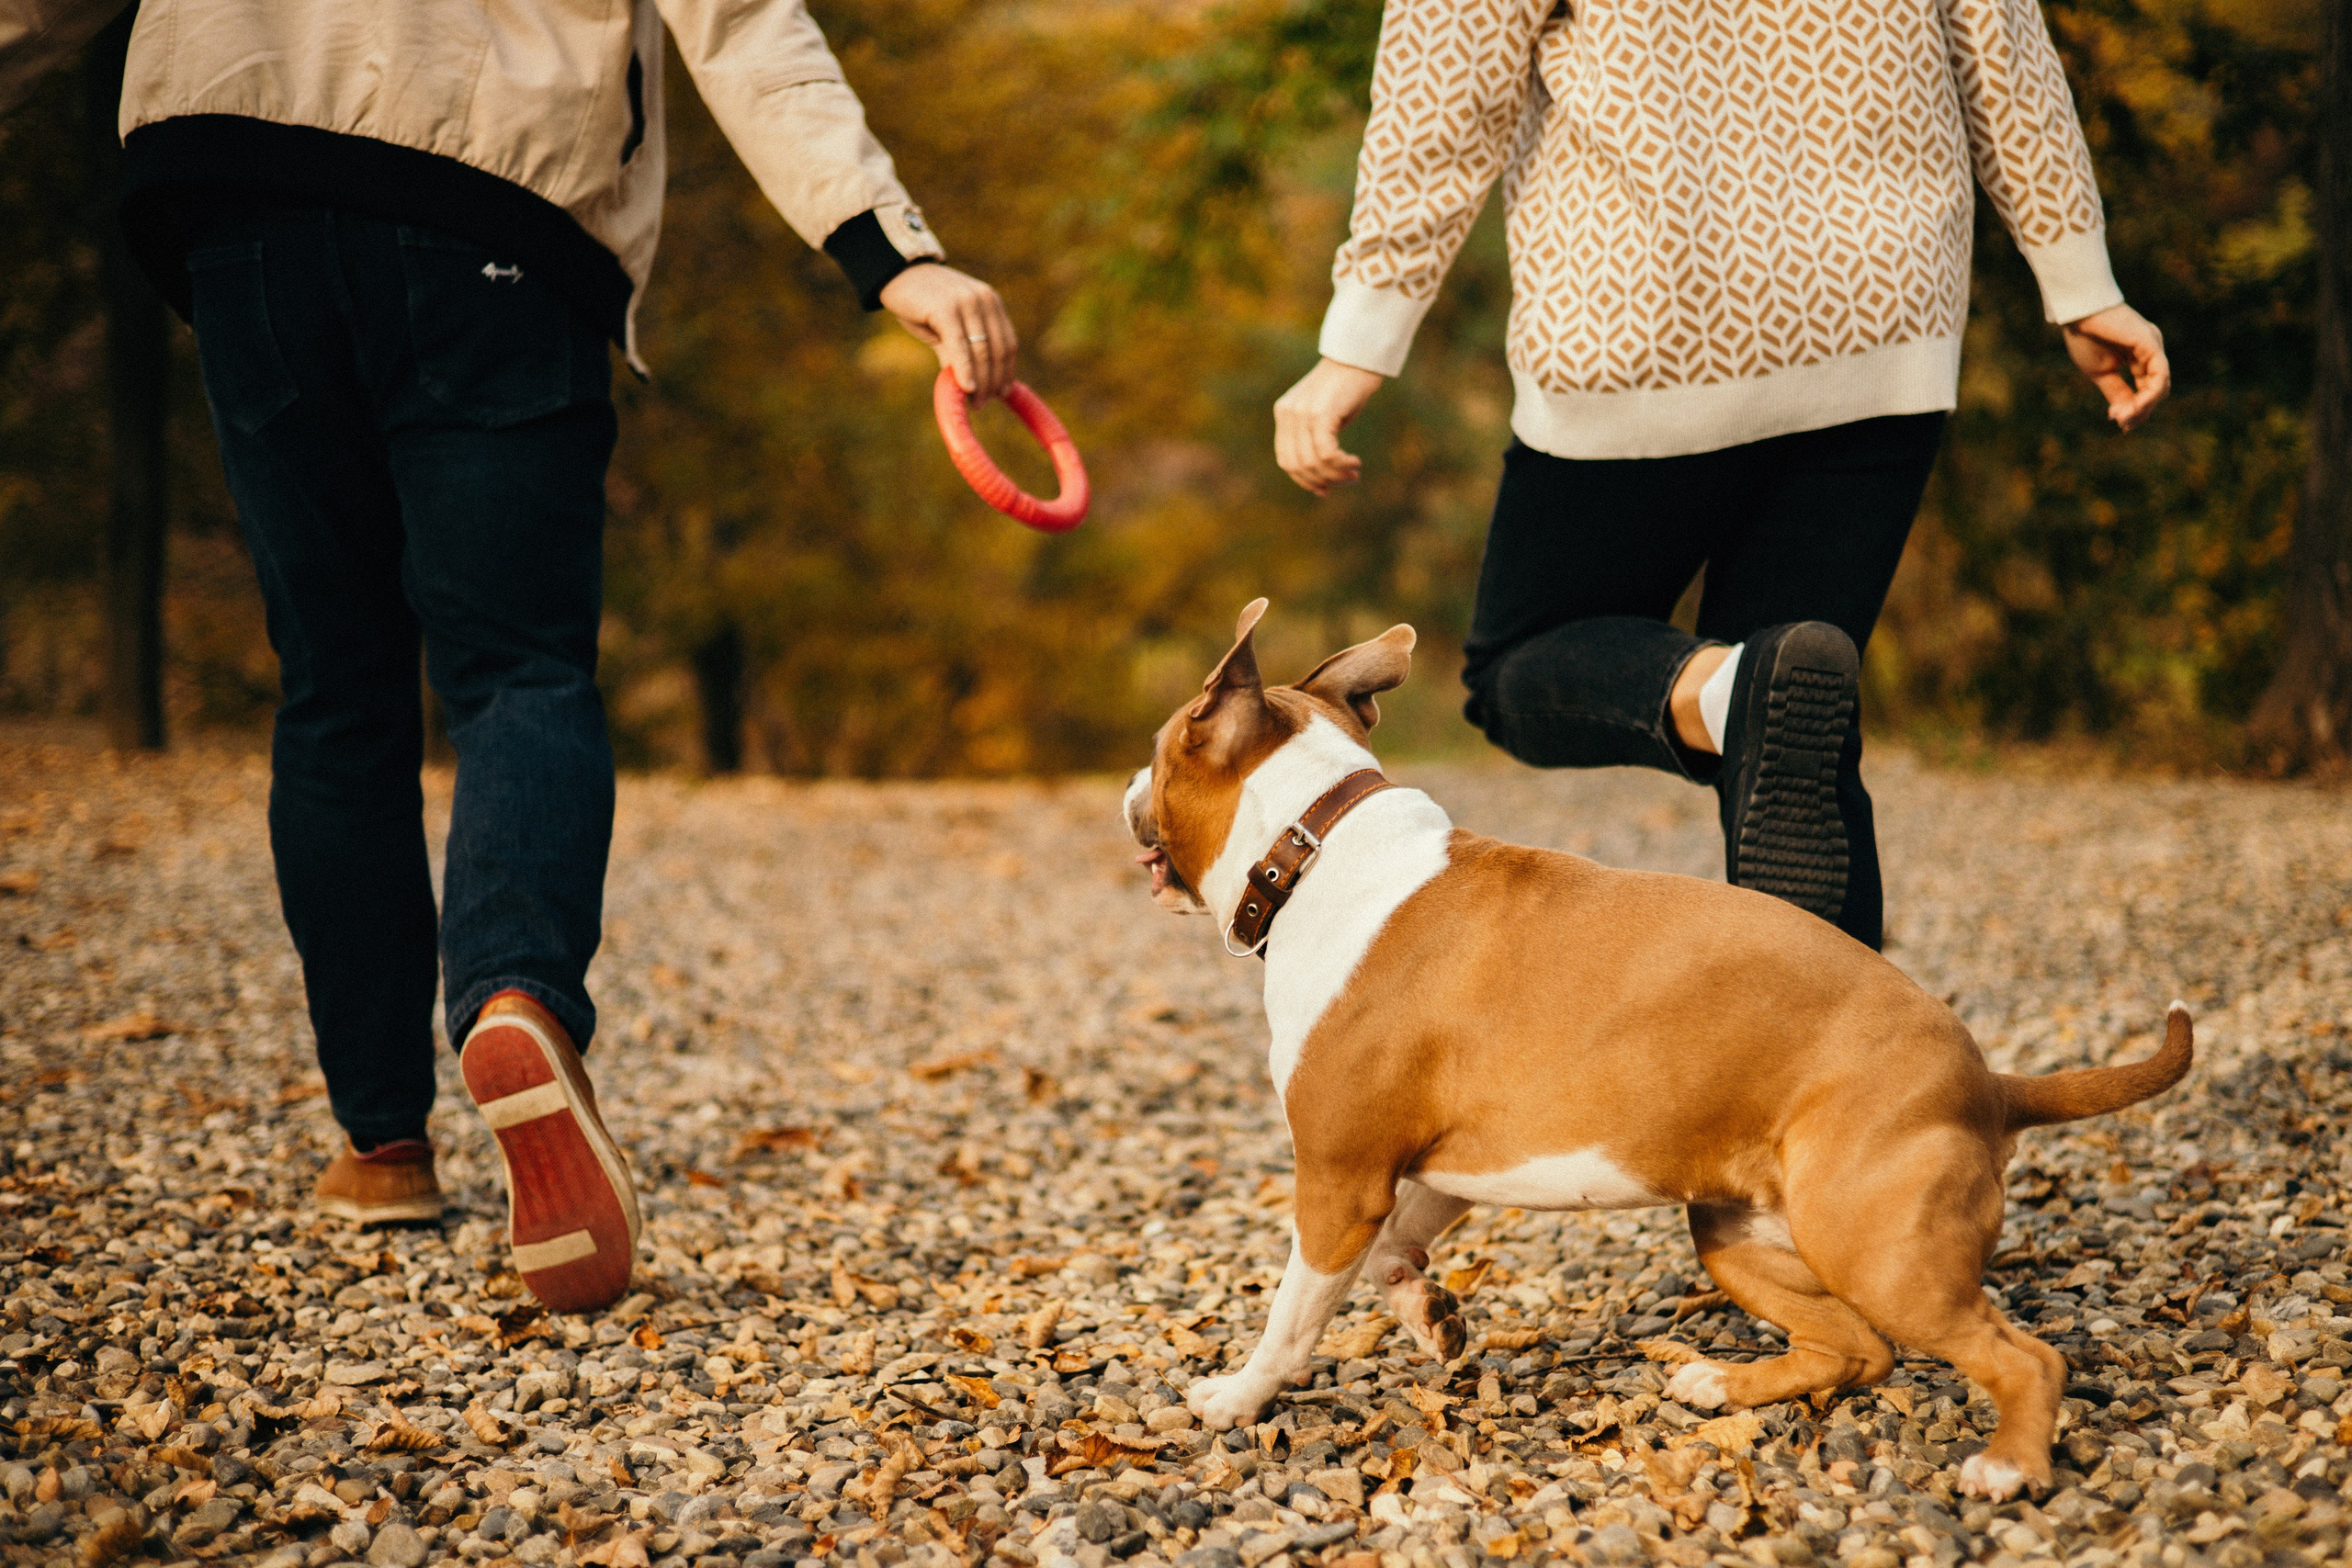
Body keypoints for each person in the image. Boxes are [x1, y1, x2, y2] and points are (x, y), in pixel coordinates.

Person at [0, 0, 1017, 1313]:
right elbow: (745, 22)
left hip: (234, 186)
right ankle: (514, 997)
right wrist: (889, 255)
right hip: (492, 197)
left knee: (334, 686)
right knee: (517, 671)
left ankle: (382, 1142)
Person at [1270, 0, 2168, 949]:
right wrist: (2079, 282)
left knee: (1523, 667)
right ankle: (1853, 1085)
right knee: (1792, 737)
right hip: (1881, 317)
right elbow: (2004, 48)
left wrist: (1360, 339)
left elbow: (1443, 93)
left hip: (1644, 324)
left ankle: (1725, 696)